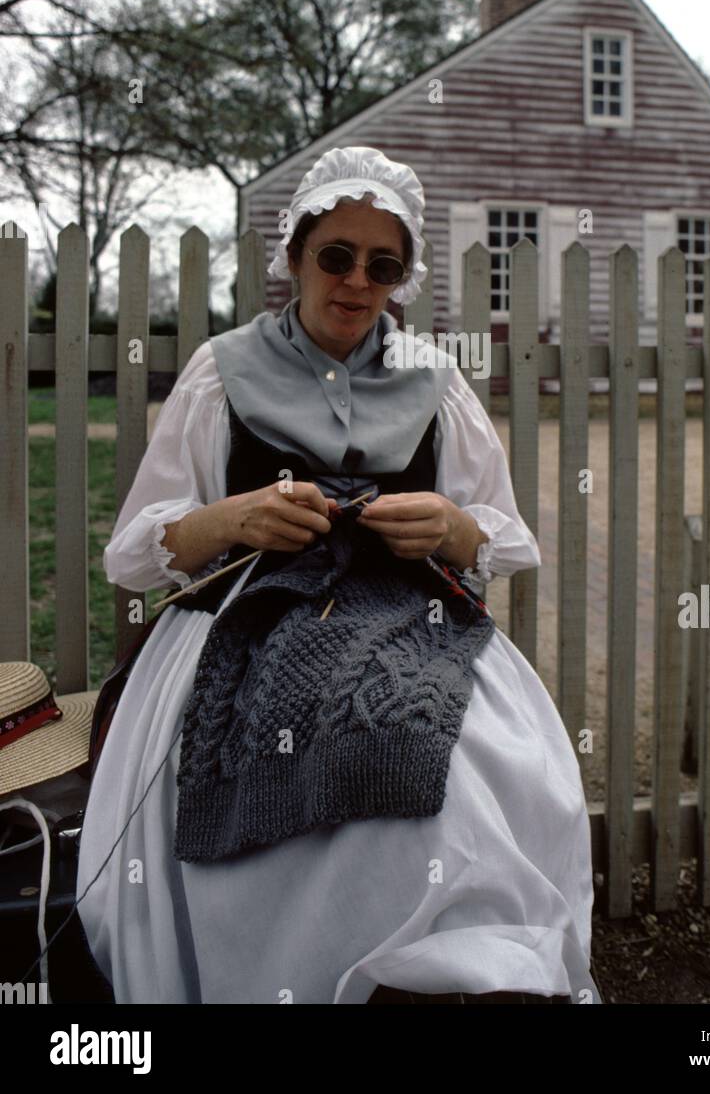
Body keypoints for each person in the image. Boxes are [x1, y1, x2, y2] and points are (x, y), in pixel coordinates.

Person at [76, 145, 600, 1005]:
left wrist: (451, 527)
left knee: (464, 763)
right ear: (293, 259)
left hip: (409, 622)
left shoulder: (436, 382)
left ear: (402, 276)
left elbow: (504, 540)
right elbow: (133, 554)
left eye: (382, 265)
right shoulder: (223, 372)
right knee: (256, 748)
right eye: (336, 256)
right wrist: (235, 518)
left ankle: (448, 977)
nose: (357, 282)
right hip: (243, 618)